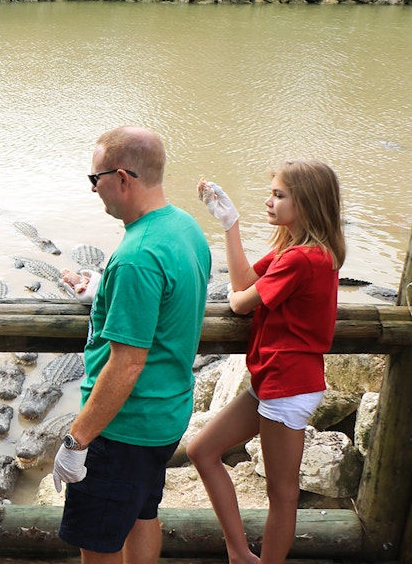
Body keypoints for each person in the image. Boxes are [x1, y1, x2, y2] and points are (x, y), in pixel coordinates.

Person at [52, 126, 210, 564]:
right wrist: (103, 290)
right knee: (143, 515)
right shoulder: (186, 228)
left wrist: (76, 441)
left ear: (122, 178)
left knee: (99, 543)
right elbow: (164, 307)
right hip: (166, 414)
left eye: (95, 178)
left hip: (123, 428)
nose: (93, 189)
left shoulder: (136, 256)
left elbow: (126, 365)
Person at [188, 161, 345, 564]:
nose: (269, 201)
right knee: (202, 450)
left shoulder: (302, 259)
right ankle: (239, 553)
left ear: (306, 202)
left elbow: (240, 301)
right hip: (274, 381)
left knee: (283, 493)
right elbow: (243, 283)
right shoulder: (292, 251)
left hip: (288, 386)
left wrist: (234, 296)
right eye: (271, 193)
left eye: (279, 195)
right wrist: (230, 223)